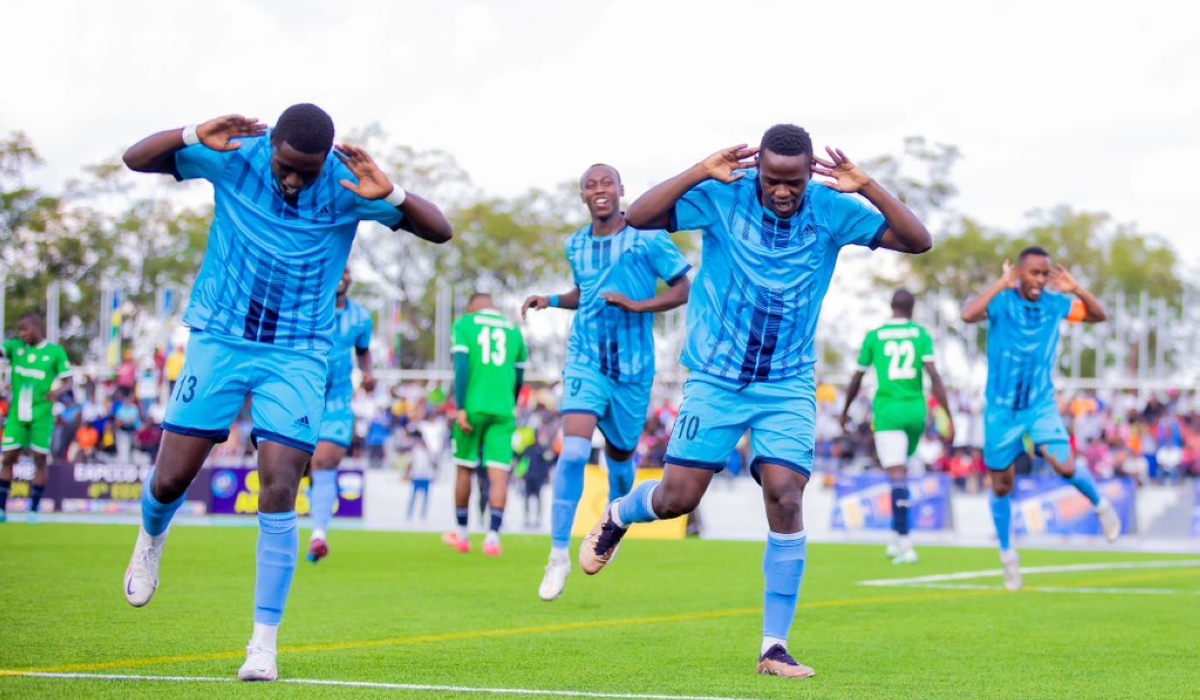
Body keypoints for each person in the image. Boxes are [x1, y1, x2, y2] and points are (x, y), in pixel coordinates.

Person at [578, 125, 932, 679]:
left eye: (793, 182)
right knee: (677, 500)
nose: (783, 192)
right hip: (715, 379)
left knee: (787, 495)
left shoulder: (833, 208)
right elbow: (639, 219)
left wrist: (869, 187)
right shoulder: (724, 193)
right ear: (758, 171)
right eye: (773, 181)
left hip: (787, 383)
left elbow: (919, 240)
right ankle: (621, 513)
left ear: (809, 172)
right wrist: (699, 169)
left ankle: (774, 646)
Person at [119, 104, 452, 682]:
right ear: (272, 145)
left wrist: (393, 193)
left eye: (308, 169)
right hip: (219, 339)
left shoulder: (347, 183)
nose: (295, 179)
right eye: (287, 167)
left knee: (279, 487)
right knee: (170, 478)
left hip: (297, 353)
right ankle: (151, 536)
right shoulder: (234, 155)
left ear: (325, 158)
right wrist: (191, 134)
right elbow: (134, 159)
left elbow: (440, 230)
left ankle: (263, 644)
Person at [522, 163, 692, 601]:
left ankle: (613, 523)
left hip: (634, 370)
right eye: (590, 185)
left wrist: (637, 306)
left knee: (620, 457)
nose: (599, 190)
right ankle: (558, 555)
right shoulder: (576, 244)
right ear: (582, 196)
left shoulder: (649, 236)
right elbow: (587, 290)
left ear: (620, 191)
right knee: (574, 450)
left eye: (606, 184)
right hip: (585, 360)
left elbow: (683, 288)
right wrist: (553, 299)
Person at [961, 248, 1119, 591]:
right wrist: (1000, 284)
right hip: (1002, 410)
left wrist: (1076, 289)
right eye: (1034, 273)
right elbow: (969, 315)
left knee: (1063, 464)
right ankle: (1007, 555)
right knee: (1003, 485)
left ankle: (1100, 503)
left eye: (1045, 274)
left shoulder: (1055, 304)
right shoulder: (1001, 301)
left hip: (1040, 404)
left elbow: (1099, 315)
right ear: (1019, 273)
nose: (1041, 280)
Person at [840, 289, 955, 564]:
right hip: (916, 411)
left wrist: (844, 411)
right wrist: (948, 415)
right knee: (904, 468)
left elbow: (857, 377)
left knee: (896, 475)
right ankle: (895, 537)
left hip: (889, 411)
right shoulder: (920, 334)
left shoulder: (875, 335)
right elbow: (934, 376)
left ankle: (905, 543)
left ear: (891, 307)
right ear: (912, 309)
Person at [443, 293, 528, 557]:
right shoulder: (514, 331)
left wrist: (460, 408)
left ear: (471, 307)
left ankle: (463, 534)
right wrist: (510, 403)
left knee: (465, 469)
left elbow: (462, 368)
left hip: (473, 406)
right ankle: (493, 538)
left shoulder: (465, 324)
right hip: (503, 410)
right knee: (499, 474)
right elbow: (519, 375)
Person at [305, 266, 376, 564]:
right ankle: (300, 530)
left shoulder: (361, 317)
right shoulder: (305, 307)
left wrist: (368, 373)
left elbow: (363, 351)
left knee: (324, 463)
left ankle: (318, 535)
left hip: (337, 405)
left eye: (346, 271)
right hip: (300, 399)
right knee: (301, 469)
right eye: (337, 269)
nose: (341, 276)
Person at [1, 313, 73, 523]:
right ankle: (2, 509)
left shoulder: (54, 352)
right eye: (20, 331)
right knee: (8, 457)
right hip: (16, 414)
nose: (22, 334)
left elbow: (68, 381)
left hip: (41, 414)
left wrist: (56, 393)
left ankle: (33, 509)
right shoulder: (16, 347)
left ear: (35, 328)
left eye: (25, 330)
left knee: (39, 459)